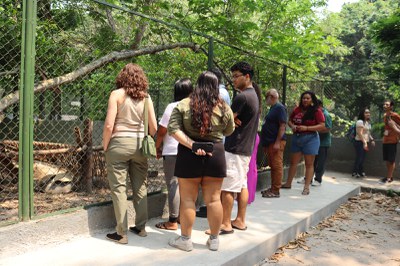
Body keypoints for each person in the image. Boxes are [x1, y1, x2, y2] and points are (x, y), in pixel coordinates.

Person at [167, 71, 235, 252]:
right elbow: (229, 130)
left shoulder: (184, 104)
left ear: (197, 84)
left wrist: (192, 144)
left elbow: (172, 129)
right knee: (214, 200)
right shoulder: (223, 107)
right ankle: (214, 240)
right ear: (216, 86)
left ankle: (185, 240)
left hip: (189, 156)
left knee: (188, 200)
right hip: (216, 154)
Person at [103, 63, 157, 244]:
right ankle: (141, 228)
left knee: (119, 188)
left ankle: (121, 233)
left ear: (122, 77)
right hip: (139, 145)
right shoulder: (146, 98)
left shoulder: (116, 94)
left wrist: (105, 146)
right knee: (140, 186)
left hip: (118, 144)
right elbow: (154, 127)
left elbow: (109, 125)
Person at [219, 61, 260, 233]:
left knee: (227, 187)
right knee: (242, 184)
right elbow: (232, 120)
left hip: (235, 147)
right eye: (233, 76)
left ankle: (225, 223)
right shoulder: (254, 95)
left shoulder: (242, 97)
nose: (234, 80)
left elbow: (224, 123)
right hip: (245, 148)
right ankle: (240, 220)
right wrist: (231, 119)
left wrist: (227, 117)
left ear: (247, 76)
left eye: (236, 76)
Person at [155, 78, 193, 230]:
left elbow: (162, 130)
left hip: (172, 151)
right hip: (190, 150)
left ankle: (171, 221)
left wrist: (157, 147)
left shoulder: (172, 106)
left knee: (173, 185)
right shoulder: (195, 106)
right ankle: (182, 217)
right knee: (186, 186)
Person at [281, 91, 325, 195]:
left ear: (312, 100)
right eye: (303, 98)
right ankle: (288, 183)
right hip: (297, 137)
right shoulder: (297, 110)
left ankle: (306, 187)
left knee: (309, 164)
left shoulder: (316, 111)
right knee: (293, 162)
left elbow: (322, 125)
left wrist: (307, 128)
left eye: (308, 98)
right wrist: (292, 126)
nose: (305, 100)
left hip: (311, 138)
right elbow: (290, 121)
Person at [260, 88, 287, 198]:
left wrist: (277, 142)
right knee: (273, 166)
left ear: (271, 97)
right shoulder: (273, 108)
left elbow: (282, 126)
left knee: (277, 166)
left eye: (267, 97)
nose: (266, 100)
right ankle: (273, 187)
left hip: (275, 142)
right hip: (269, 142)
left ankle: (276, 190)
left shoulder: (280, 108)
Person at [246, 81, 262, 204]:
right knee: (252, 167)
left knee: (249, 167)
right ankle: (249, 196)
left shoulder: (250, 103)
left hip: (249, 137)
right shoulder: (257, 104)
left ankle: (247, 196)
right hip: (254, 137)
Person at [312, 100, 333, 185]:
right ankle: (308, 178)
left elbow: (328, 128)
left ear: (319, 106)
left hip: (323, 143)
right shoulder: (315, 114)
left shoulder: (326, 115)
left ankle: (318, 179)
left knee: (320, 162)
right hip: (314, 141)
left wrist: (314, 130)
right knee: (312, 161)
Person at [379, 100, 400, 184]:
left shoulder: (395, 115)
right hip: (385, 140)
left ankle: (389, 178)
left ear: (391, 106)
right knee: (387, 160)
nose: (384, 105)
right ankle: (389, 176)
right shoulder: (384, 116)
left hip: (392, 140)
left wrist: (395, 129)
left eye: (387, 104)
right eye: (384, 104)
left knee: (391, 160)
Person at [351, 107, 375, 178]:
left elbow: (368, 133)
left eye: (369, 113)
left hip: (365, 142)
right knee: (359, 157)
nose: (368, 114)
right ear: (362, 114)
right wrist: (364, 142)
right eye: (366, 113)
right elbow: (359, 133)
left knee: (362, 158)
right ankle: (355, 172)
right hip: (359, 142)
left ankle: (360, 171)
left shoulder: (367, 122)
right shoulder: (360, 122)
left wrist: (372, 139)